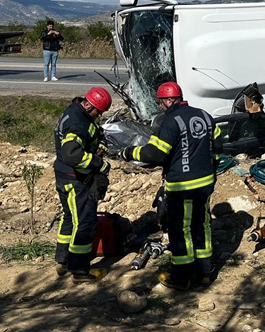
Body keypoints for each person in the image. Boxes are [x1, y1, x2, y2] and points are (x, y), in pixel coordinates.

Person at [119, 82, 219, 290]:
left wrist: (128, 153)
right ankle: (205, 273)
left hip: (182, 185)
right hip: (206, 182)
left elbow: (154, 154)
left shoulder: (171, 121)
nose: (161, 107)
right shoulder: (204, 115)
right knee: (202, 225)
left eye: (161, 103)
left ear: (169, 100)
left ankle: (182, 277)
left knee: (180, 229)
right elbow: (216, 146)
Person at [53, 87, 113, 283]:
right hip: (76, 179)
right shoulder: (78, 123)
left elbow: (93, 133)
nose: (100, 115)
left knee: (69, 217)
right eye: (99, 112)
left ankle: (62, 260)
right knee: (85, 222)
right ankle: (79, 270)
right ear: (89, 106)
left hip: (63, 176)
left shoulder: (74, 111)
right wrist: (99, 164)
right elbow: (72, 154)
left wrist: (99, 146)